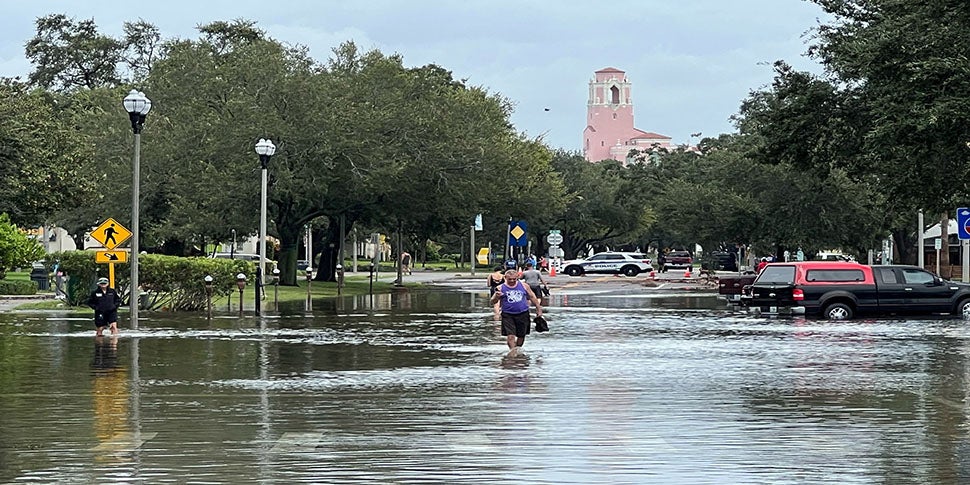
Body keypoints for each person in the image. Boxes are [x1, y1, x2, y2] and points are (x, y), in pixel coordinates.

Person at [490, 269, 543, 351]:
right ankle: (512, 352)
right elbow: (493, 301)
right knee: (510, 335)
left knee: (521, 335)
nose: (512, 281)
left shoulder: (524, 286)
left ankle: (517, 350)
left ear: (517, 277)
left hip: (523, 313)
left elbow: (532, 297)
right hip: (508, 314)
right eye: (509, 279)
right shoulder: (500, 288)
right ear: (505, 278)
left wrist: (538, 308)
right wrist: (496, 296)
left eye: (514, 279)